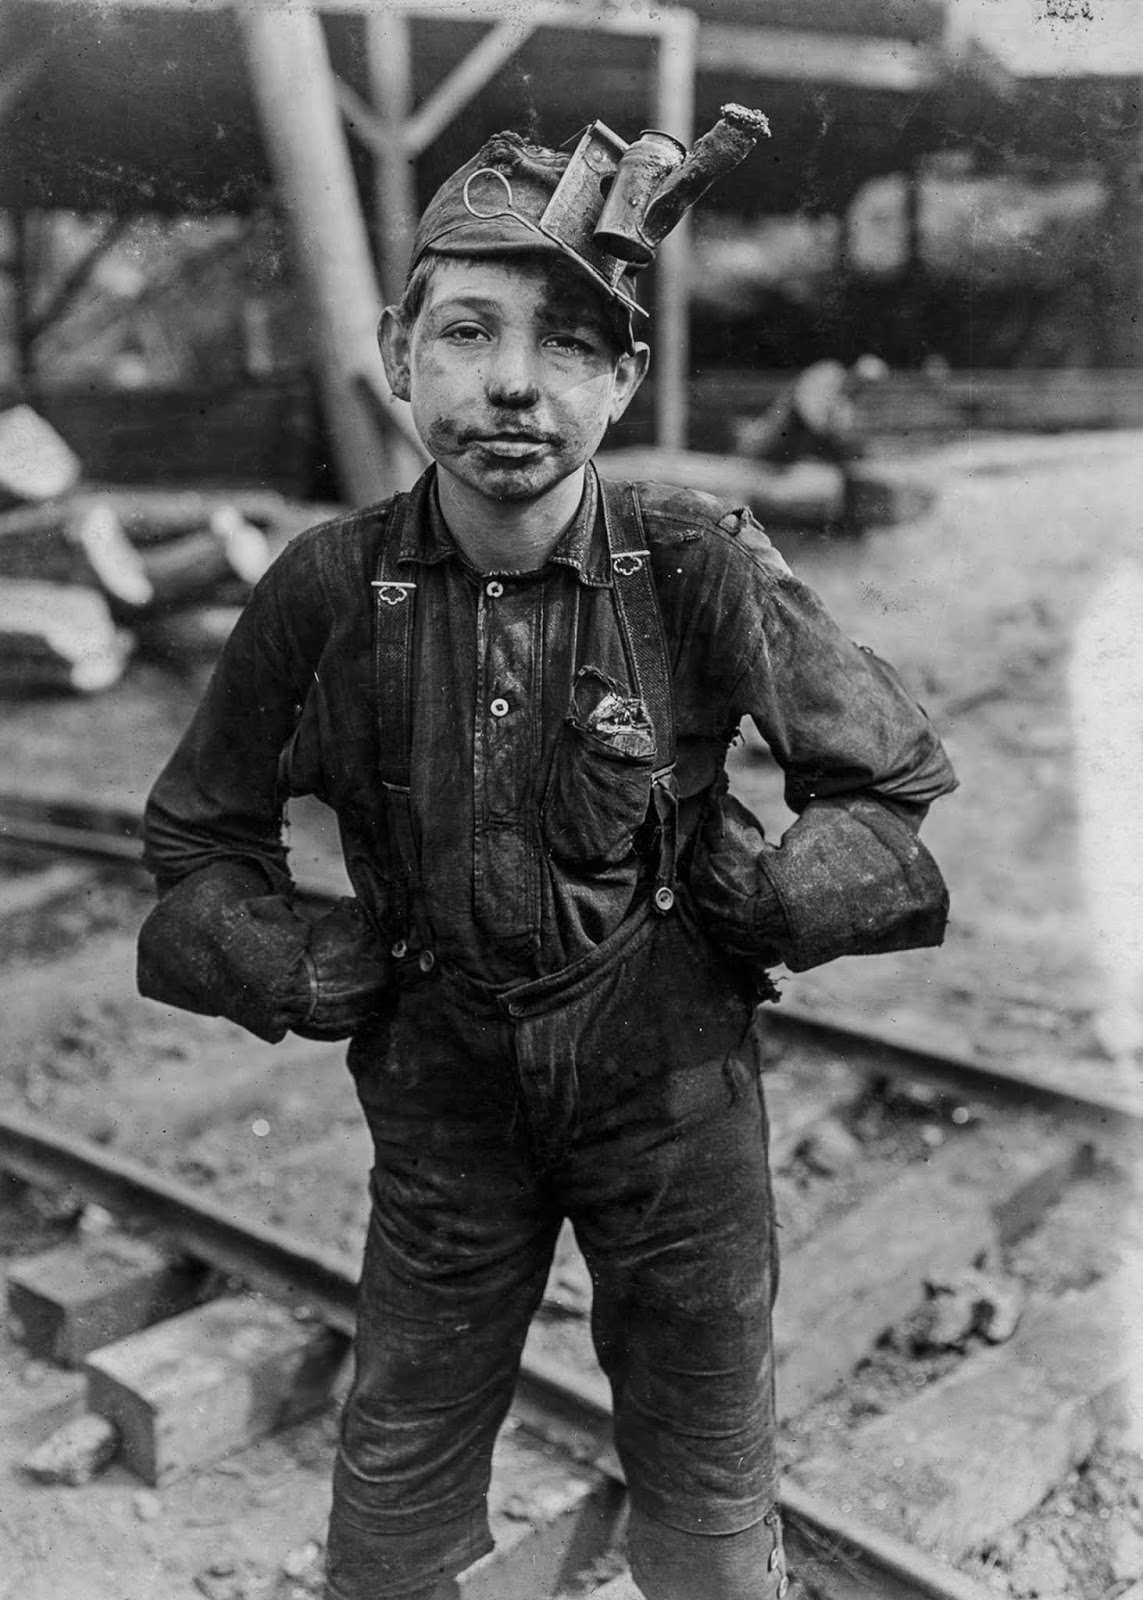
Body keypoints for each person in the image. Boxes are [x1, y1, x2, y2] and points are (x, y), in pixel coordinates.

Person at [137, 111, 957, 1600]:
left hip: (673, 1093)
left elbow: (888, 788)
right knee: (395, 1486)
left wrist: (782, 893)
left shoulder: (698, 558)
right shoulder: (327, 588)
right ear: (399, 354)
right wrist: (291, 959)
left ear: (626, 377)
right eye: (468, 331)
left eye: (572, 344)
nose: (514, 382)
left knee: (708, 1486)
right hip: (444, 1103)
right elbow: (195, 842)